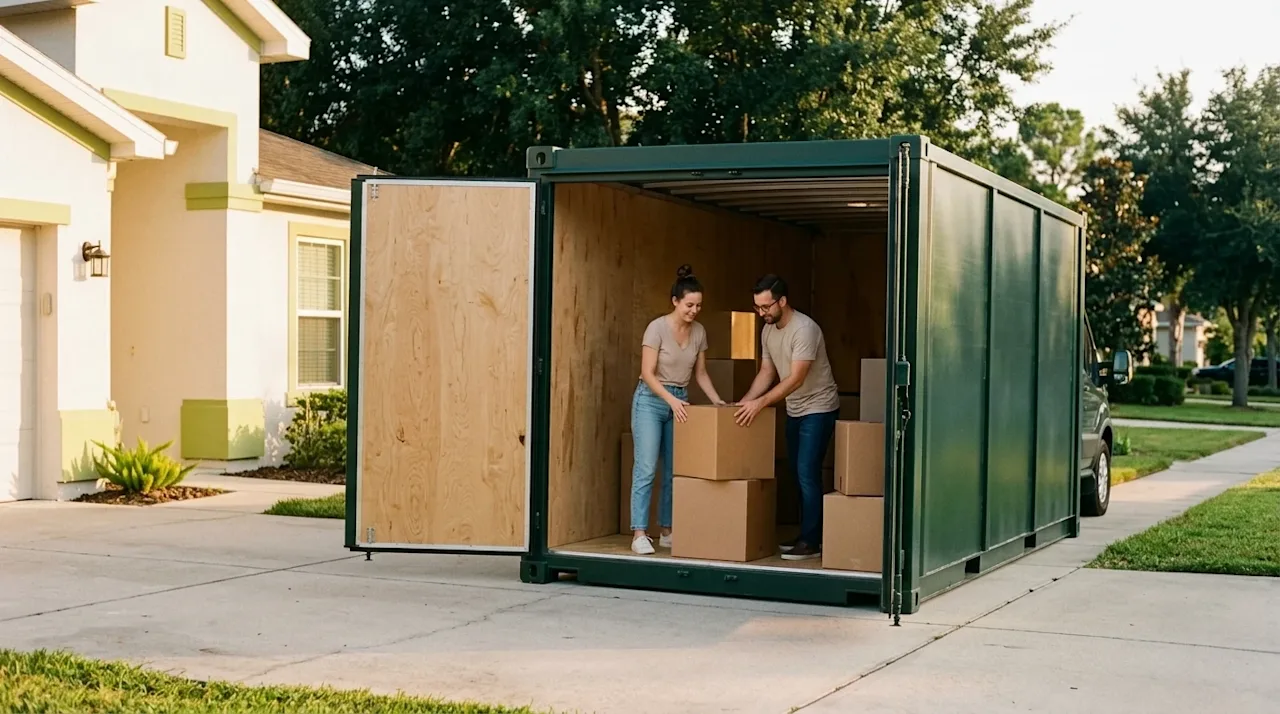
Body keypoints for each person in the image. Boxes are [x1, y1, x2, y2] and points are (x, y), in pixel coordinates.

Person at [734, 274, 840, 561]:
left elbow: (795, 378)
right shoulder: (768, 331)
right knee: (795, 471)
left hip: (819, 408)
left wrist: (760, 404)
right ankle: (806, 533)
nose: (761, 313)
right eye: (757, 307)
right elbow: (767, 372)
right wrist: (744, 402)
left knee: (806, 471)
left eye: (766, 307)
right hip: (794, 409)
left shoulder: (804, 330)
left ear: (782, 301)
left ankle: (812, 541)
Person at [630, 264, 727, 555]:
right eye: (689, 305)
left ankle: (667, 530)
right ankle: (639, 533)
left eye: (698, 305)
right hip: (651, 400)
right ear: (675, 301)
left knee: (675, 470)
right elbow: (647, 373)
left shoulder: (699, 332)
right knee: (646, 467)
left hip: (680, 401)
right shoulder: (657, 328)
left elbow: (701, 374)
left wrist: (718, 401)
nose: (694, 310)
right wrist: (670, 400)